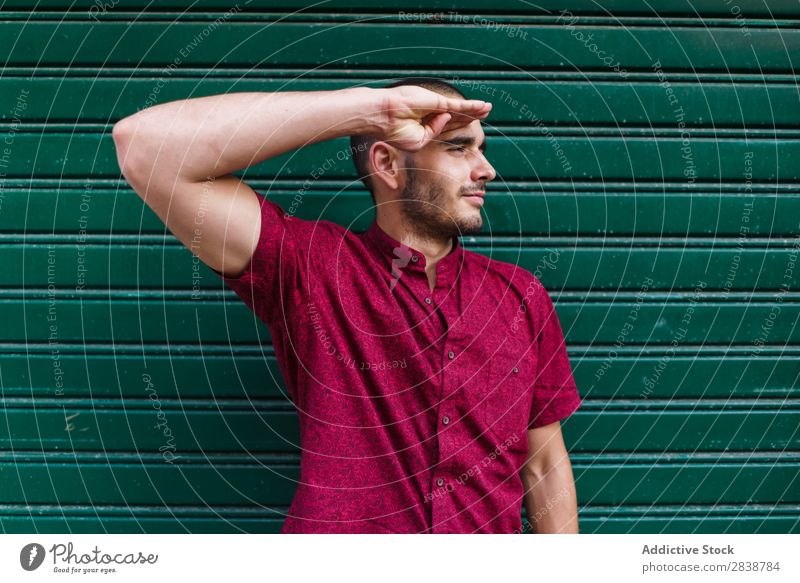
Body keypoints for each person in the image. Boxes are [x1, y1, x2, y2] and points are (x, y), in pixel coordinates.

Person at [112, 76, 583, 534]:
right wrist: (371, 110)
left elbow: (543, 464)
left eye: (482, 150)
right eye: (458, 148)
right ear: (388, 164)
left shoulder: (521, 297)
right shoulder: (311, 268)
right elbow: (143, 145)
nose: (486, 170)